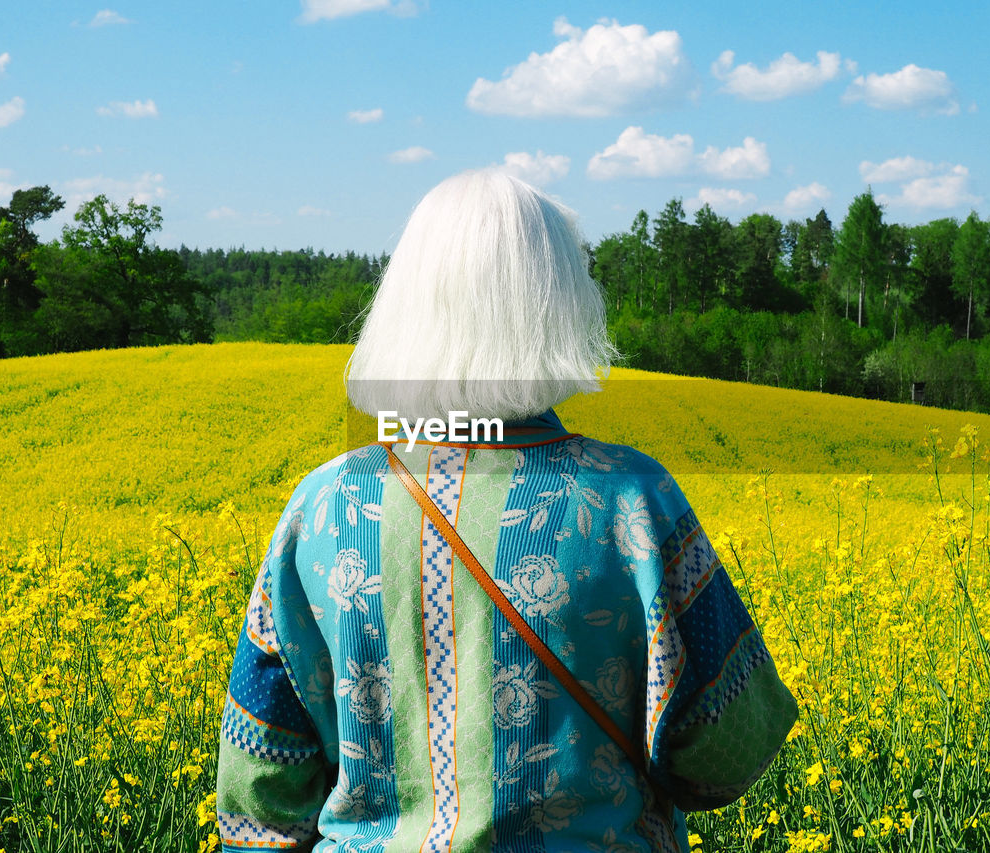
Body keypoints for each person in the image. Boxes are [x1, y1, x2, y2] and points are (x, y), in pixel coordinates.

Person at [216, 170, 798, 852]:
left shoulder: (322, 505)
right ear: (561, 306)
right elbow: (724, 753)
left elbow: (260, 782)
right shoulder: (633, 499)